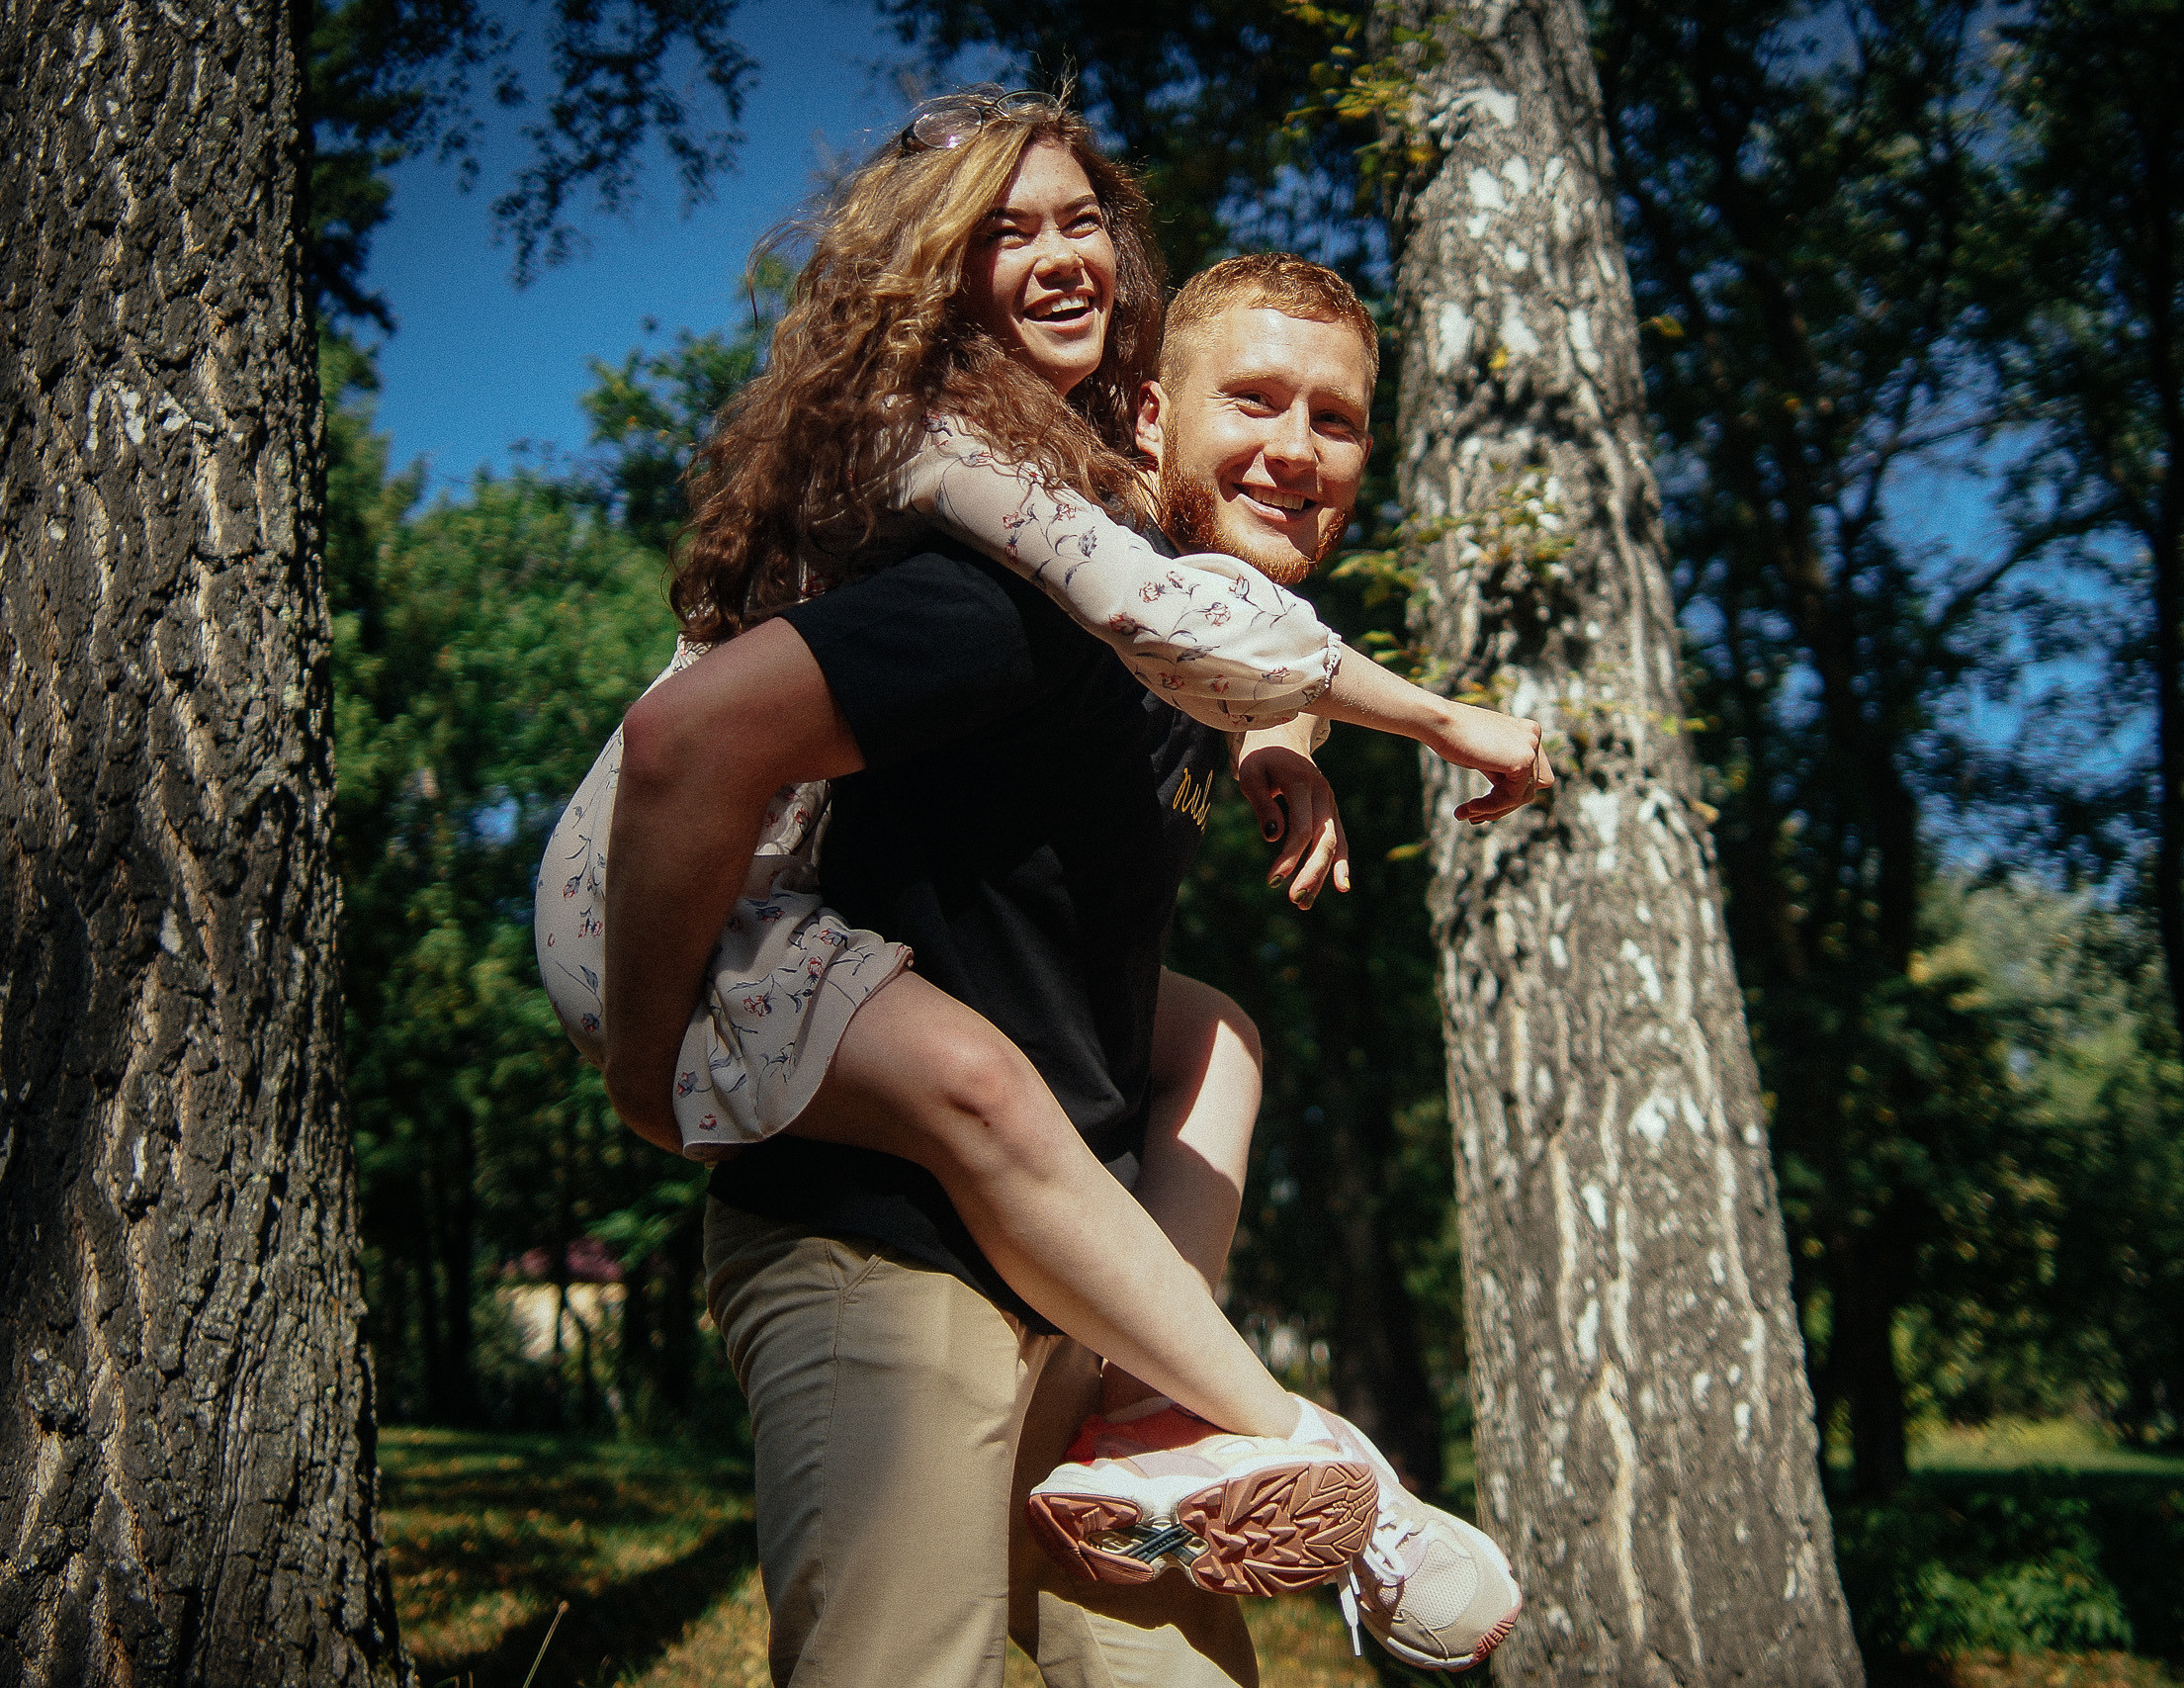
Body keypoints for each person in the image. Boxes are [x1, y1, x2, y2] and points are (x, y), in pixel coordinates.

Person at [595, 94, 1529, 1682]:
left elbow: (1244, 647)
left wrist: (1281, 736)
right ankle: (1324, 1457)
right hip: (890, 1265)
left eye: (1338, 421)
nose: (1297, 452)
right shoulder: (1004, 607)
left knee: (1216, 1030)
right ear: (1148, 422)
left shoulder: (1178, 648)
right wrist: (647, 1054)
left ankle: (1166, 1389)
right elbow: (687, 744)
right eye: (1254, 403)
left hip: (1074, 1296)